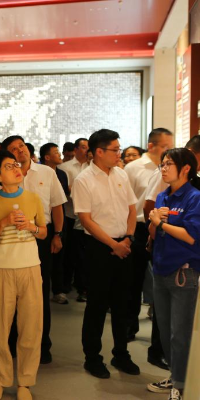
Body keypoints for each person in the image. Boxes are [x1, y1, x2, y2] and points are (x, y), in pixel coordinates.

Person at [71, 129, 139, 379]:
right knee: (97, 305)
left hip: (125, 244)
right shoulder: (84, 179)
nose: (119, 153)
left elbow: (132, 209)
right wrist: (113, 244)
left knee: (123, 303)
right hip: (99, 248)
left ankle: (121, 354)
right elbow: (86, 220)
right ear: (99, 152)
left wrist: (128, 238)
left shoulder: (121, 173)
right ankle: (92, 357)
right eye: (115, 149)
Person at [0, 150, 47, 400]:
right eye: (9, 166)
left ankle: (25, 382)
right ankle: (0, 379)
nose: (16, 169)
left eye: (16, 164)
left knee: (31, 328)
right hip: (2, 270)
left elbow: (43, 232)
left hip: (30, 268)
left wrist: (31, 227)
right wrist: (4, 223)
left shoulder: (33, 198)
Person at [3, 135, 66, 364]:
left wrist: (57, 234)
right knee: (14, 293)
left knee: (39, 292)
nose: (20, 150)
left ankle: (42, 344)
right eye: (14, 149)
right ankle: (13, 342)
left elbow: (57, 205)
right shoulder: (5, 174)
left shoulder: (46, 172)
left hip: (41, 235)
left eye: (21, 146)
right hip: (12, 238)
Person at [147, 148, 200, 400]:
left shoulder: (194, 197)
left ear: (186, 168)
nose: (164, 168)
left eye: (169, 164)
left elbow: (191, 237)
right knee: (165, 332)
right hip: (160, 270)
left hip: (184, 274)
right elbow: (154, 234)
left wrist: (161, 222)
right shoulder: (162, 196)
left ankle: (180, 384)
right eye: (163, 164)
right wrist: (153, 221)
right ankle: (175, 375)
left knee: (180, 334)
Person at [124, 128, 173, 344]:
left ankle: (158, 339)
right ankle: (129, 327)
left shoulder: (169, 167)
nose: (169, 150)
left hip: (160, 228)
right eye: (165, 146)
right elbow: (129, 202)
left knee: (160, 281)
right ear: (151, 146)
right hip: (139, 227)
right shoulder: (133, 167)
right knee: (133, 281)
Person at [58, 138, 89, 302]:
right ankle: (65, 284)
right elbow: (65, 190)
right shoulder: (65, 167)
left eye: (88, 147)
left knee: (84, 255)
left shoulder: (93, 167)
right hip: (70, 215)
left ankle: (82, 286)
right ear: (76, 149)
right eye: (83, 147)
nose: (86, 150)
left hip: (89, 217)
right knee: (69, 253)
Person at [39, 142, 70, 305]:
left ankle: (58, 290)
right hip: (42, 223)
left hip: (59, 219)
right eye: (56, 152)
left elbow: (60, 201)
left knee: (59, 257)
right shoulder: (39, 173)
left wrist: (59, 230)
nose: (59, 155)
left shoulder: (62, 174)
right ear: (47, 157)